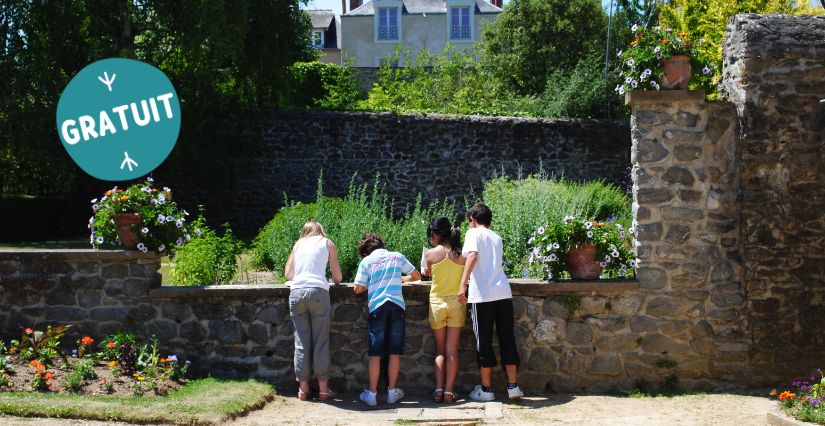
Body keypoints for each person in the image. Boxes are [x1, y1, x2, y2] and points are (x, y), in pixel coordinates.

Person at [458, 204, 523, 401]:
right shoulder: (496, 237)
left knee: (483, 341)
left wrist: (463, 285)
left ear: (473, 219)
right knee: (507, 338)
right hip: (502, 292)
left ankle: (486, 390)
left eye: (469, 221)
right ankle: (513, 386)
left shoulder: (473, 233)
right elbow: (464, 258)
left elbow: (472, 256)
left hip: (482, 295)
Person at [353, 233, 422, 406]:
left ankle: (372, 395)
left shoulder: (366, 262)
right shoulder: (397, 257)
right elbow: (417, 276)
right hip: (397, 306)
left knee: (375, 354)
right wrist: (400, 279)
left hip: (377, 307)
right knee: (394, 352)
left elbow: (357, 289)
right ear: (382, 244)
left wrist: (372, 282)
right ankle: (392, 392)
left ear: (364, 252)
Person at [284, 221, 343, 401]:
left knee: (301, 342)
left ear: (304, 231)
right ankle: (324, 390)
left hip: (296, 294)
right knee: (320, 342)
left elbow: (289, 274)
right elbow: (338, 277)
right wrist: (329, 278)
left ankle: (303, 390)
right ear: (320, 230)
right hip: (318, 293)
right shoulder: (327, 243)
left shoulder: (298, 244)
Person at [424, 216, 466, 404]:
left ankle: (439, 390)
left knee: (440, 350)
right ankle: (449, 392)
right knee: (452, 350)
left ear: (435, 236)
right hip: (456, 303)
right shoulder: (462, 254)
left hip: (437, 303)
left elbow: (432, 275)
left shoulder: (430, 255)